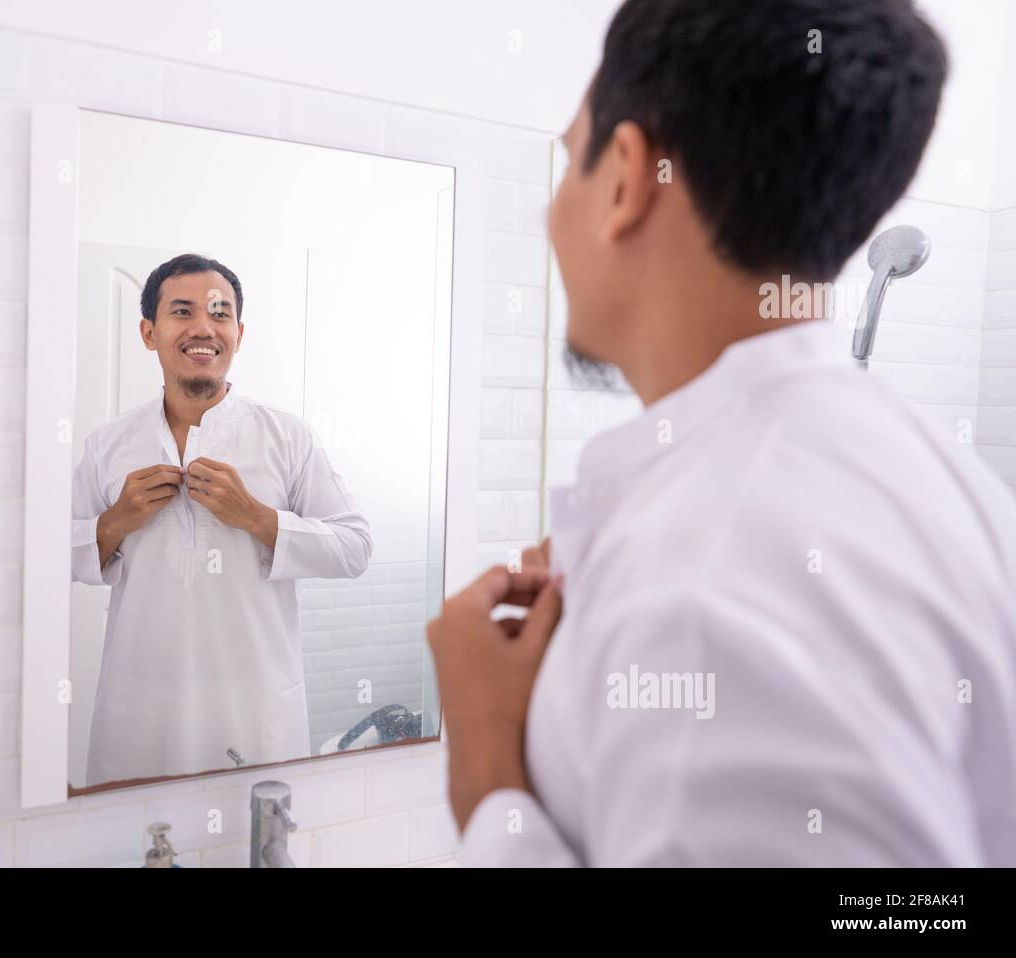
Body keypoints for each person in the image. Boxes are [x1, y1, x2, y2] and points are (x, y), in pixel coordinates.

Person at [429, 0, 1016, 866]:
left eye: (569, 164)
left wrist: (486, 772)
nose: (551, 218)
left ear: (626, 179)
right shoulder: (961, 494)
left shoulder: (704, 591)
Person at [73, 253, 372, 783]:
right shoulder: (108, 445)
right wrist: (115, 521)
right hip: (141, 710)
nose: (202, 328)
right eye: (182, 312)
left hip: (253, 708)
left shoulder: (287, 437)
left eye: (219, 312)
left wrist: (257, 517)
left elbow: (354, 548)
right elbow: (47, 554)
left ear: (238, 331)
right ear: (149, 331)